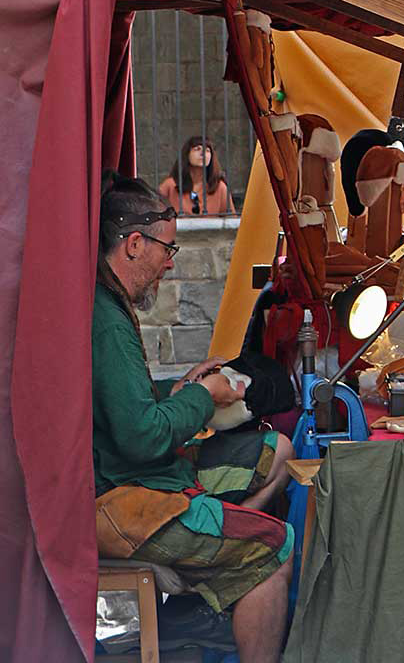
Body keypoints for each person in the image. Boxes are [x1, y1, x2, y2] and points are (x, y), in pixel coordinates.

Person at [93, 172, 293, 662]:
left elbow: (128, 403)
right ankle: (233, 579)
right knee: (276, 544)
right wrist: (204, 395)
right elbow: (143, 437)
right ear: (135, 243)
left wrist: (179, 386)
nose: (169, 263)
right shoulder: (106, 320)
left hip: (134, 476)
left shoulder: (108, 306)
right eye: (168, 250)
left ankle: (219, 582)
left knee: (278, 454)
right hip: (121, 495)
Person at [160, 135, 237, 217]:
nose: (203, 153)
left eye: (207, 150)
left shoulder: (219, 187)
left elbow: (231, 219)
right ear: (187, 154)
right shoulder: (170, 185)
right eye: (197, 149)